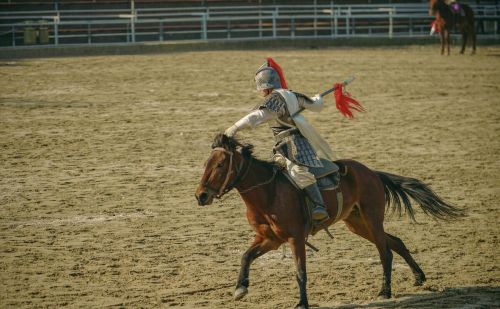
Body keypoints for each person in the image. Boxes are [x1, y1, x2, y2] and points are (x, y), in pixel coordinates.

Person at [224, 59, 334, 224]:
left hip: (295, 144)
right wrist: (317, 99)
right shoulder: (293, 95)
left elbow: (258, 116)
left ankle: (320, 207)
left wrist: (234, 127)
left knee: (299, 173)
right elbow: (316, 106)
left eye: (260, 88)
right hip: (283, 146)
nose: (260, 92)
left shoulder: (274, 100)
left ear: (265, 86)